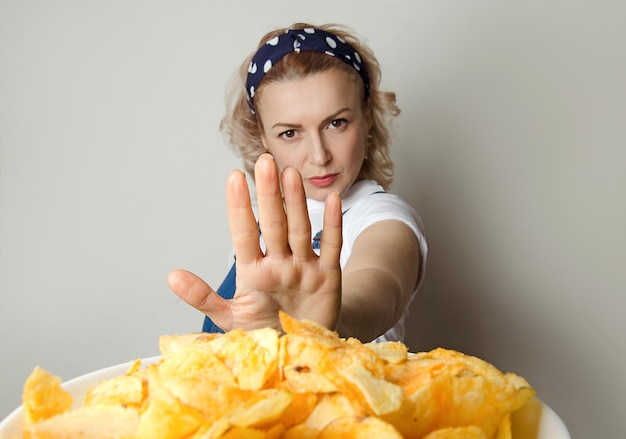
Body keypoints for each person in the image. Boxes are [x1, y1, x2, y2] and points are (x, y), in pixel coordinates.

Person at [167, 23, 427, 343]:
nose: (319, 156)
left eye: (336, 123)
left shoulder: (382, 217)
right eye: (290, 132)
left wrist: (324, 323)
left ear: (368, 115)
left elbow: (380, 287)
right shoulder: (263, 226)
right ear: (262, 136)